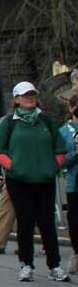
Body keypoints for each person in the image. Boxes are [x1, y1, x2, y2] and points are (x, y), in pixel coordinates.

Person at [0, 81, 69, 283]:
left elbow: (60, 148)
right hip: (19, 181)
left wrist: (53, 167)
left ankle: (55, 266)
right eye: (25, 95)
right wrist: (13, 166)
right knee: (25, 222)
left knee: (47, 223)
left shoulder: (45, 121)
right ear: (16, 99)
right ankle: (26, 265)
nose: (29, 98)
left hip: (44, 179)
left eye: (32, 95)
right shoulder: (9, 122)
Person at [62, 100, 78, 274]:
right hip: (74, 183)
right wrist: (75, 153)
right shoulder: (64, 132)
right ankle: (76, 254)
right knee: (75, 223)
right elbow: (60, 161)